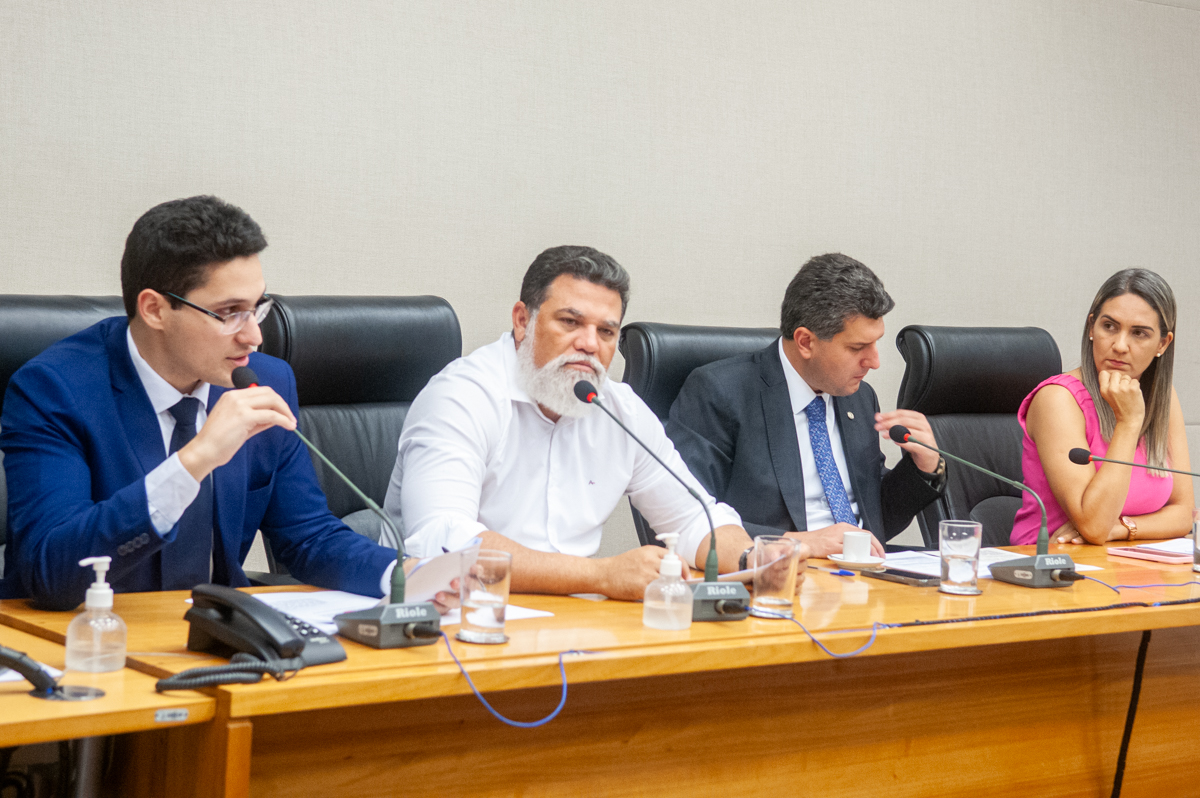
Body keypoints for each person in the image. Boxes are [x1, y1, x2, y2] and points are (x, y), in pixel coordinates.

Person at [1, 196, 404, 610]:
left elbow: (308, 537)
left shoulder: (264, 382)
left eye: (256, 308)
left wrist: (406, 574)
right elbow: (51, 573)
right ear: (155, 310)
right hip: (85, 633)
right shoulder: (54, 390)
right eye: (229, 312)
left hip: (219, 630)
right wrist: (195, 460)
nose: (254, 337)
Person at [384, 246, 804, 600]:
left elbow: (694, 518)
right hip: (456, 617)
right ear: (522, 320)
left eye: (606, 332)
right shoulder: (462, 396)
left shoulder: (618, 410)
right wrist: (600, 576)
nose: (589, 344)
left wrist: (753, 559)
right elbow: (445, 539)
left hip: (575, 623)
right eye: (570, 322)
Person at [666, 253, 945, 559]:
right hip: (780, 573)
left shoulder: (859, 397)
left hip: (861, 575)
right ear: (805, 342)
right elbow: (689, 517)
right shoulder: (720, 393)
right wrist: (800, 543)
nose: (874, 362)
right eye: (857, 347)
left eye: (876, 342)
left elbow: (874, 518)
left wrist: (924, 466)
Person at [1013, 268, 1193, 545]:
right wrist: (1129, 423)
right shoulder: (1058, 399)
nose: (1119, 345)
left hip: (1129, 562)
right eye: (1109, 326)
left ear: (1162, 343)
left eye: (1139, 333)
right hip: (1054, 562)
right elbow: (1095, 525)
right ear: (1091, 328)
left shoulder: (1163, 399)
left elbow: (1184, 514)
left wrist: (1122, 528)